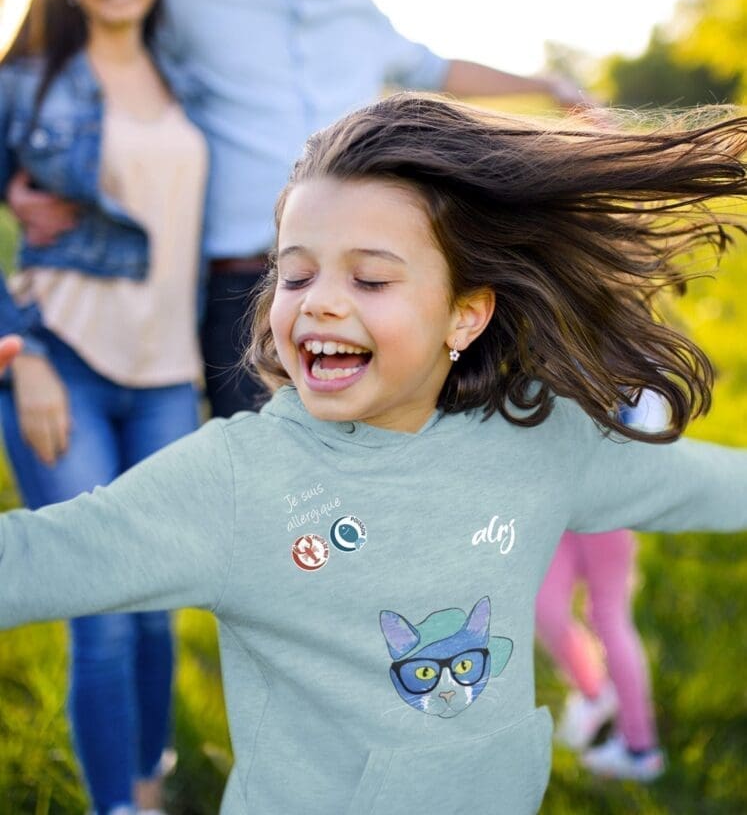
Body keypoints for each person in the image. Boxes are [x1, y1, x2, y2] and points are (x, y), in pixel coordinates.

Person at [1, 94, 746, 814]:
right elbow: (29, 562)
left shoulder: (537, 440)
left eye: (370, 278)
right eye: (295, 274)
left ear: (464, 315)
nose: (318, 301)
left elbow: (711, 484)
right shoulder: (236, 481)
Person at [6, 0, 590, 418]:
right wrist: (22, 182)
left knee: (371, 449)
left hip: (363, 279)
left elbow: (436, 69)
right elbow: (92, 51)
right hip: (242, 289)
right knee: (266, 465)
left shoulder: (357, 6)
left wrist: (547, 86)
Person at [0, 0, 209, 815]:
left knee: (157, 606)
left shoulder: (187, 77)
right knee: (105, 614)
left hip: (167, 376)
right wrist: (20, 356)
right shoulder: (26, 84)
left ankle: (145, 782)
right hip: (61, 363)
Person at [535, 393, 671, 781]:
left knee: (607, 617)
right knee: (544, 607)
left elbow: (650, 422)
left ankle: (640, 749)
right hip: (558, 506)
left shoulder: (629, 373)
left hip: (606, 509)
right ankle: (595, 693)